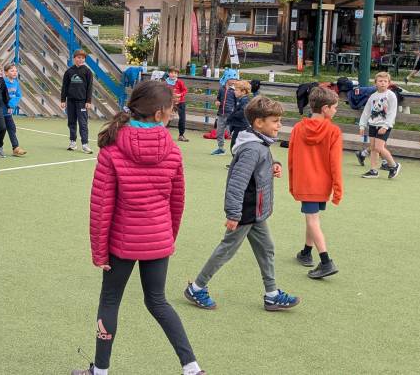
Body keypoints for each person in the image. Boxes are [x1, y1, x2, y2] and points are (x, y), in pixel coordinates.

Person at [73, 80, 204, 375]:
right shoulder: (172, 150)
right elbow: (177, 203)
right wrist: (167, 238)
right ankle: (192, 368)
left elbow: (101, 207)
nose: (172, 114)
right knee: (158, 302)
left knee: (110, 300)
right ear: (158, 114)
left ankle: (101, 371)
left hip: (121, 244)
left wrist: (99, 252)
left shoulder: (112, 149)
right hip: (158, 239)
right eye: (171, 110)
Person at [184, 96, 300, 312]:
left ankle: (272, 294)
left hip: (255, 211)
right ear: (259, 123)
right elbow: (237, 183)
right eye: (275, 121)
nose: (279, 125)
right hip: (245, 212)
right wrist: (233, 214)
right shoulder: (252, 149)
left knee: (267, 249)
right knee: (227, 250)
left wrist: (273, 164)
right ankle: (197, 287)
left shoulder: (258, 143)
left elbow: (261, 163)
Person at [289, 87, 343, 279]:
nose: (336, 111)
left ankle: (325, 260)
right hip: (323, 183)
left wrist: (292, 184)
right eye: (335, 107)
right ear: (326, 108)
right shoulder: (333, 131)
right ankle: (306, 253)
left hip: (305, 182)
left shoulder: (298, 128)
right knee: (313, 219)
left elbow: (291, 159)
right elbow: (335, 163)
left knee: (312, 220)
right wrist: (337, 189)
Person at [357, 72, 401, 179]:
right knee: (373, 148)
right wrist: (362, 125)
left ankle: (394, 165)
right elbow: (367, 111)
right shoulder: (373, 96)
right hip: (373, 125)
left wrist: (386, 126)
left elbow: (392, 112)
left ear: (389, 83)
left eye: (385, 81)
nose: (383, 83)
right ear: (375, 83)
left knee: (379, 147)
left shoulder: (391, 95)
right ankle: (373, 171)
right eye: (380, 81)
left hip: (384, 126)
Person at [60, 49, 94, 154]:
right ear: (74, 58)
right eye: (78, 57)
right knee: (71, 122)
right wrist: (63, 100)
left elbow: (90, 87)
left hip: (82, 102)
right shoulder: (69, 72)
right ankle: (73, 142)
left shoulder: (87, 72)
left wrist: (88, 101)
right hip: (70, 102)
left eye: (83, 58)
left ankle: (85, 144)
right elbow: (64, 87)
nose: (80, 60)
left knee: (83, 123)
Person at [3, 63, 27, 157]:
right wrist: (8, 105)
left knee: (11, 128)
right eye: (12, 70)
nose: (14, 72)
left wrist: (12, 104)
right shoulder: (3, 82)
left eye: (16, 71)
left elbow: (18, 95)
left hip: (8, 113)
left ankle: (15, 148)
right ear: (6, 72)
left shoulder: (16, 83)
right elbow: (1, 96)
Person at [211, 78, 237, 155]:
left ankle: (236, 150)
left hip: (230, 116)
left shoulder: (235, 91)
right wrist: (217, 102)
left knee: (231, 133)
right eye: (232, 79)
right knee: (219, 132)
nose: (234, 81)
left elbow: (236, 103)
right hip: (220, 114)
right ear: (227, 79)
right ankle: (220, 148)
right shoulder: (221, 89)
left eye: (235, 79)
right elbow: (218, 98)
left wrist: (234, 113)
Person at [225, 80, 251, 150]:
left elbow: (242, 112)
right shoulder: (240, 100)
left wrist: (232, 115)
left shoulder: (245, 100)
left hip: (241, 127)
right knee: (234, 145)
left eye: (236, 90)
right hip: (238, 126)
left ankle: (238, 159)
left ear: (243, 92)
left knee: (235, 146)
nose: (234, 91)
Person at [166, 66, 188, 142]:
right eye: (171, 72)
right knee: (167, 117)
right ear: (168, 73)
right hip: (169, 103)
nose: (173, 74)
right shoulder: (165, 82)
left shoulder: (180, 82)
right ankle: (163, 133)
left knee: (182, 118)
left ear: (177, 74)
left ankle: (181, 135)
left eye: (175, 73)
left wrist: (180, 95)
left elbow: (185, 90)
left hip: (180, 103)